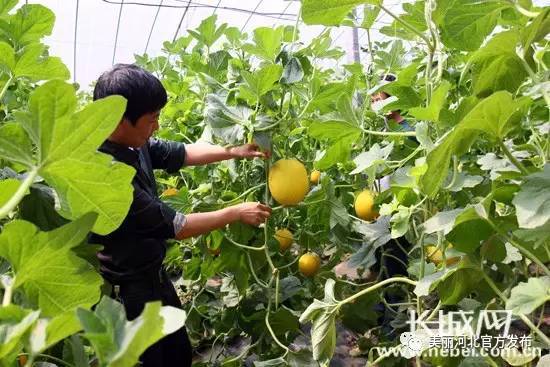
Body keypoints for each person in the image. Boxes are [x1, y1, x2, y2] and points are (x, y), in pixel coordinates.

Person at [90, 64, 272, 367]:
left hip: (155, 276)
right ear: (120, 120)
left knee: (178, 355)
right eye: (152, 119)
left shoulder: (134, 144)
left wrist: (233, 151)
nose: (157, 126)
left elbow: (182, 153)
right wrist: (237, 212)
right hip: (129, 293)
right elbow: (179, 226)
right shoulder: (104, 175)